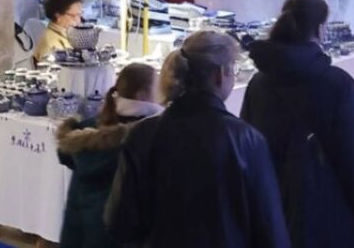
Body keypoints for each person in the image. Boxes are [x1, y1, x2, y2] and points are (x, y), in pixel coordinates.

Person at [105, 30, 290, 248]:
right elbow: (269, 230)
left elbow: (119, 222)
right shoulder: (247, 140)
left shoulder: (143, 134)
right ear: (220, 74)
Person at [241, 0, 354, 248]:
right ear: (321, 30)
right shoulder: (336, 83)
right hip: (327, 214)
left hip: (271, 211)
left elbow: (248, 151)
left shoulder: (258, 83)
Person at [57, 63, 162, 248]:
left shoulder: (85, 129)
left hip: (79, 229)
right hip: (114, 233)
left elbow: (65, 157)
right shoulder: (143, 137)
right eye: (157, 86)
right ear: (142, 95)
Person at [34, 0, 84, 67]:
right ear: (58, 16)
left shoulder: (67, 33)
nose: (78, 20)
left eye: (80, 15)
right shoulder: (51, 43)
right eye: (74, 16)